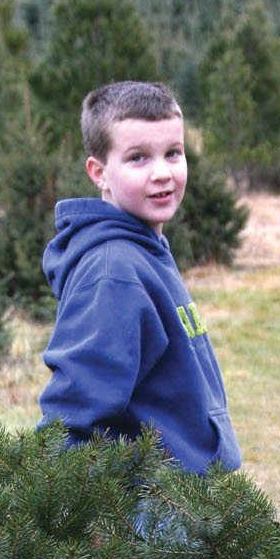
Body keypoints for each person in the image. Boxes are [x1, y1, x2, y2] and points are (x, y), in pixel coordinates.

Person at [39, 80, 241, 474]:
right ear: (99, 172)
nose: (162, 173)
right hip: (152, 511)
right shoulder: (114, 271)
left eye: (173, 153)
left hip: (188, 498)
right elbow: (74, 414)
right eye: (138, 158)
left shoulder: (145, 250)